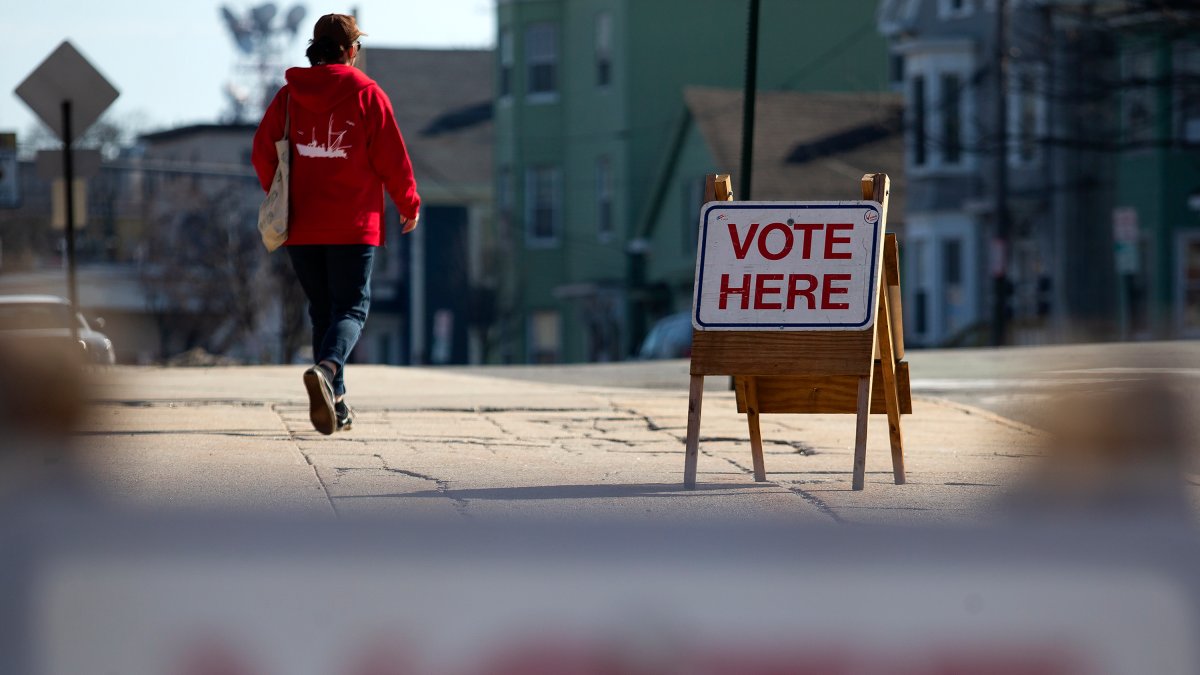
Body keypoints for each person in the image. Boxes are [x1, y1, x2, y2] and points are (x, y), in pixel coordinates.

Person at [252, 13, 420, 435]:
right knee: (351, 308)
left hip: (302, 226)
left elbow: (262, 152)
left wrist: (280, 191)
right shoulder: (367, 93)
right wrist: (408, 202)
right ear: (350, 52)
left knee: (323, 312)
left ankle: (337, 404)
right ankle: (327, 370)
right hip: (352, 225)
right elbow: (392, 158)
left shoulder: (289, 96)